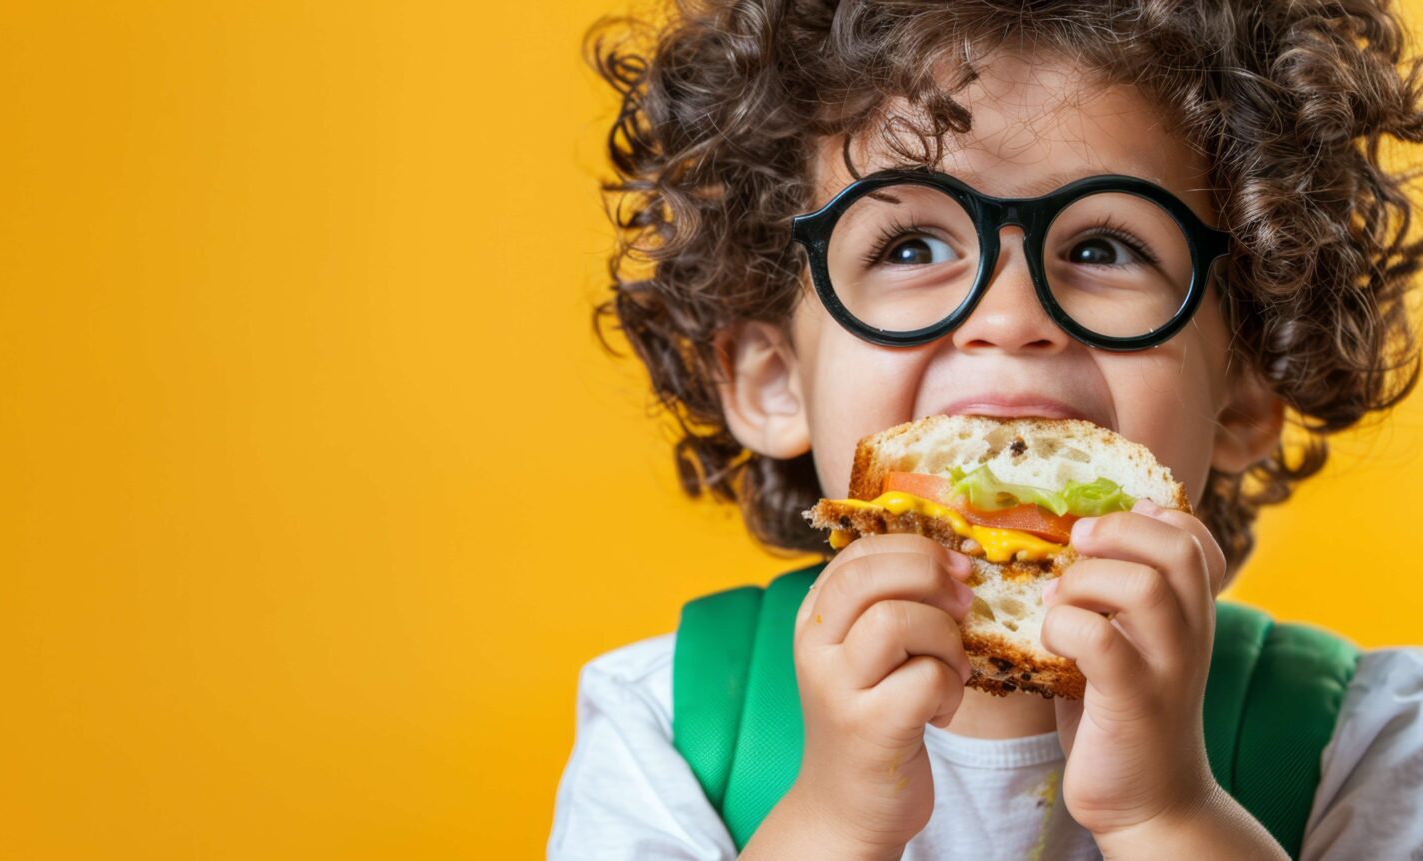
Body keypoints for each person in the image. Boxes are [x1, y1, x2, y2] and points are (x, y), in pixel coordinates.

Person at [550, 0, 1423, 857]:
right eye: (911, 247)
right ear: (775, 380)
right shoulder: (663, 725)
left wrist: (1166, 814)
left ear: (1243, 393)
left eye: (1102, 248)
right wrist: (835, 821)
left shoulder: (1358, 742)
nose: (1009, 316)